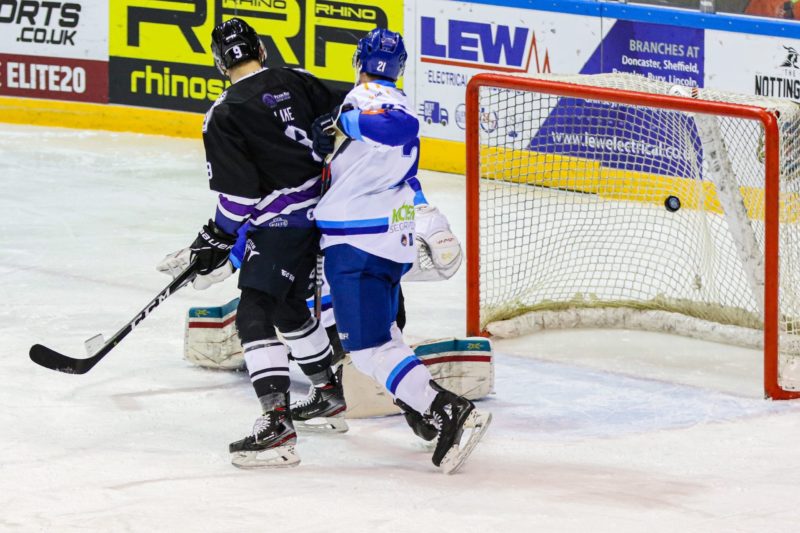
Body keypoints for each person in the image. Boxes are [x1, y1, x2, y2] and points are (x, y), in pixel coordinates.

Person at [170, 17, 350, 468]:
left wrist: (217, 235)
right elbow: (350, 110)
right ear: (261, 50)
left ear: (219, 64)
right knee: (287, 307)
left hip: (282, 226)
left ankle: (277, 427)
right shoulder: (298, 79)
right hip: (328, 211)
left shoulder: (224, 113)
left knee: (253, 313)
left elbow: (240, 198)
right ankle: (327, 394)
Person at [310, 28, 491, 473]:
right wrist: (428, 217)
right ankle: (425, 410)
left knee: (368, 351)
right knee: (386, 338)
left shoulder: (363, 100)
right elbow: (406, 174)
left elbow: (397, 128)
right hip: (387, 242)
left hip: (358, 244)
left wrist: (345, 122)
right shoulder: (395, 98)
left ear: (358, 61)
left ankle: (447, 409)